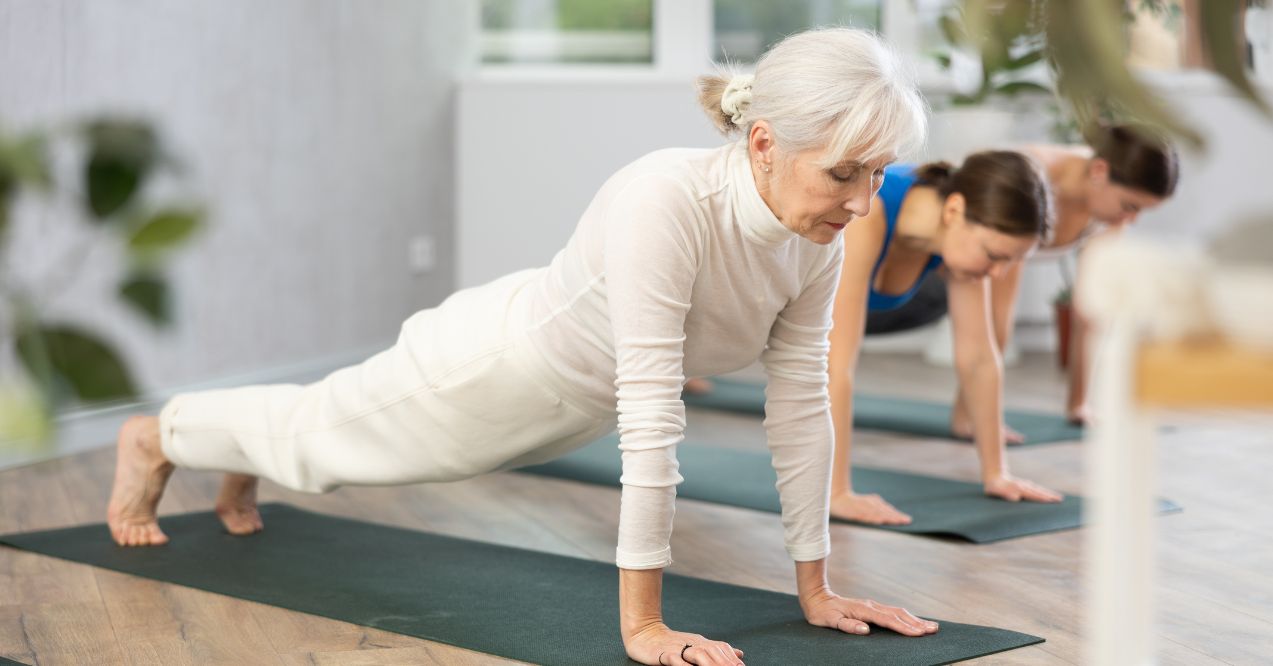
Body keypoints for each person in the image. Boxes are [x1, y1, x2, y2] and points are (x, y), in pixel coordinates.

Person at [106, 27, 939, 665]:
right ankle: (157, 436)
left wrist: (815, 588)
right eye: (843, 174)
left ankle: (249, 447)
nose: (864, 204)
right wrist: (643, 625)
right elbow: (651, 414)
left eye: (877, 175)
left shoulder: (814, 240)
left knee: (316, 435)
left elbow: (797, 404)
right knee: (322, 449)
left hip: (568, 406)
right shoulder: (665, 199)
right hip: (490, 373)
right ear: (764, 143)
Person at [827, 152, 1066, 526]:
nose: (997, 272)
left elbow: (979, 358)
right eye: (994, 255)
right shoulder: (868, 211)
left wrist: (996, 472)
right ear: (954, 209)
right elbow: (835, 365)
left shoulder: (958, 242)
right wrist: (837, 491)